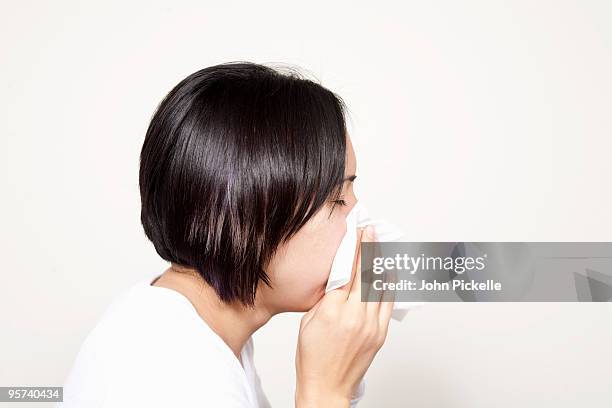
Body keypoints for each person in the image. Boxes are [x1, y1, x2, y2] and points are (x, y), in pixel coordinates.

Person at [58, 61, 393, 407]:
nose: (360, 221)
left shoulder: (188, 329)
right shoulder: (170, 370)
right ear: (247, 216)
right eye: (337, 198)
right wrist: (325, 393)